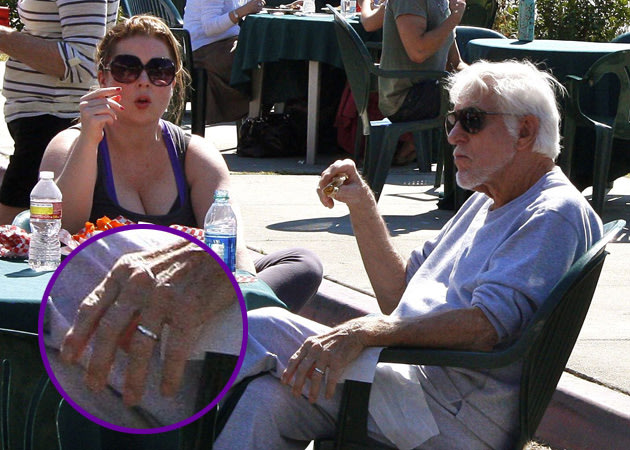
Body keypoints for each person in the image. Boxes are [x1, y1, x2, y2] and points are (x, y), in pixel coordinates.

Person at [212, 60, 603, 449]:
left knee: (258, 329)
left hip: (450, 410)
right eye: (452, 120)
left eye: (470, 120)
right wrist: (362, 204)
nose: (453, 136)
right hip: (409, 383)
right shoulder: (487, 198)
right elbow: (397, 296)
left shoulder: (552, 213)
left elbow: (485, 328)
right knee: (267, 402)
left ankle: (155, 412)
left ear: (526, 131)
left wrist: (367, 331)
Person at [40, 15, 322, 313]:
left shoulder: (195, 155)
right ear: (103, 79)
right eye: (126, 69)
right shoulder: (71, 145)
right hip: (104, 295)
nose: (143, 81)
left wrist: (229, 292)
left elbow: (233, 255)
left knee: (303, 263)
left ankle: (207, 321)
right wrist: (89, 141)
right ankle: (220, 325)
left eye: (159, 70)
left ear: (173, 82)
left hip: (189, 292)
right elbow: (57, 235)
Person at [0, 0, 119, 225]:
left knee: (14, 240)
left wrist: (3, 37)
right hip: (44, 120)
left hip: (54, 122)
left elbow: (83, 61)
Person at [378, 0, 467, 164]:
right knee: (476, 104)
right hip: (405, 99)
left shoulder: (443, 3)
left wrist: (486, 76)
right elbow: (418, 51)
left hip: (429, 90)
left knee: (488, 94)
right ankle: (462, 179)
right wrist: (454, 19)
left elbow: (456, 63)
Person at [183, 0, 265, 124]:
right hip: (205, 51)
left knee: (265, 53)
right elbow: (210, 27)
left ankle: (258, 122)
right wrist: (245, 10)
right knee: (262, 57)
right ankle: (256, 124)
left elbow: (246, 6)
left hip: (226, 44)